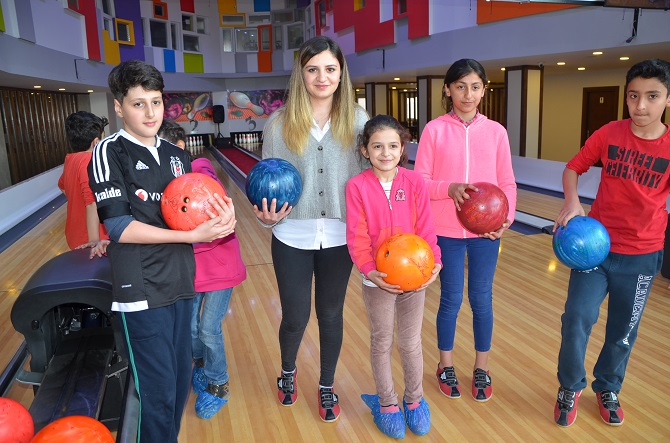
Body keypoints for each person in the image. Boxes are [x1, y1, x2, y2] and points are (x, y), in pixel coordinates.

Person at [88, 59, 236, 442]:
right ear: (119, 107)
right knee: (156, 396)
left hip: (182, 283)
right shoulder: (109, 152)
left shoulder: (176, 154)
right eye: (138, 104)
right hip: (141, 291)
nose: (150, 112)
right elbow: (118, 227)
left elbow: (192, 212)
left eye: (156, 102)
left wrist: (223, 217)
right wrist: (192, 236)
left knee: (179, 384)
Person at [254, 35, 368, 422]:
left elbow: (370, 180)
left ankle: (326, 384)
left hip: (340, 235)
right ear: (300, 74)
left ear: (341, 73)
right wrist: (266, 216)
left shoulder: (358, 121)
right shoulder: (279, 123)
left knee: (331, 314)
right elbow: (266, 182)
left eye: (330, 69)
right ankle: (287, 371)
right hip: (292, 234)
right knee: (295, 316)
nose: (322, 77)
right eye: (313, 69)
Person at [552, 58, 670, 428]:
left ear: (668, 98)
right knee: (576, 318)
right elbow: (573, 167)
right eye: (633, 96)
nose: (640, 105)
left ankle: (608, 386)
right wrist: (573, 202)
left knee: (623, 332)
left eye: (652, 96)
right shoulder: (609, 133)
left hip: (642, 255)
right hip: (596, 250)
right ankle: (570, 386)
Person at [414, 58, 517, 403]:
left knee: (481, 299)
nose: (468, 94)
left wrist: (505, 220)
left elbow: (507, 183)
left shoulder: (497, 132)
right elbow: (421, 182)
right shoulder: (434, 130)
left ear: (484, 90)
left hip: (486, 234)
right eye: (460, 87)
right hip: (446, 232)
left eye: (475, 87)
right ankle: (445, 365)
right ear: (448, 90)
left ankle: (481, 368)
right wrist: (450, 187)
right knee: (451, 299)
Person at [346, 115, 442, 438]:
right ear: (365, 150)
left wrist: (435, 262)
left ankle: (414, 400)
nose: (385, 153)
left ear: (402, 149)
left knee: (411, 341)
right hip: (377, 280)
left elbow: (426, 228)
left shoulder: (414, 182)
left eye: (392, 146)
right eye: (377, 146)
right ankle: (387, 402)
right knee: (382, 340)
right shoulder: (357, 186)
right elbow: (357, 236)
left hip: (415, 277)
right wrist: (369, 270)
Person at [158, 119, 247, 419]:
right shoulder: (160, 182)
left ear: (183, 150)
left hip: (220, 265)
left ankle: (219, 383)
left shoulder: (200, 171)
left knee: (209, 328)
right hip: (187, 266)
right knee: (190, 326)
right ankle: (201, 364)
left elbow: (210, 190)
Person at [58, 111, 109, 257]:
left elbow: (62, 186)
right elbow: (92, 203)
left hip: (74, 234)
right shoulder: (89, 160)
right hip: (93, 238)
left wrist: (77, 201)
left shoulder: (70, 159)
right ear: (96, 142)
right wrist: (94, 241)